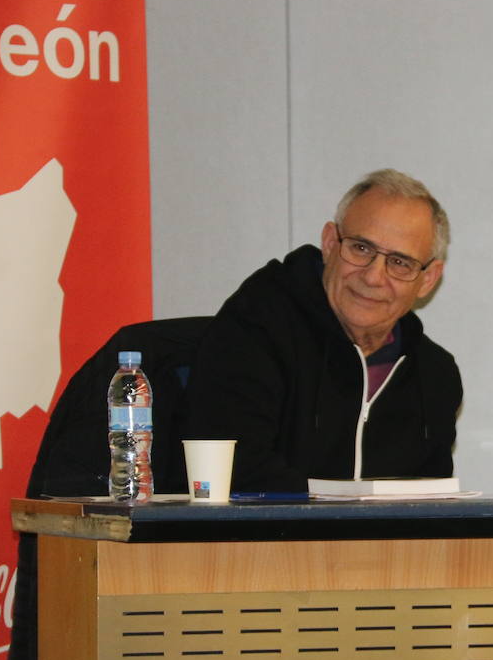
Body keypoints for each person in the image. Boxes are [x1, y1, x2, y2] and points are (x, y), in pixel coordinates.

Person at [183, 168, 461, 491]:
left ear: (427, 278)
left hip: (379, 544)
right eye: (361, 249)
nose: (373, 276)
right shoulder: (258, 326)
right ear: (330, 243)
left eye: (400, 262)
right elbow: (235, 474)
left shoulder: (435, 376)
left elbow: (431, 512)